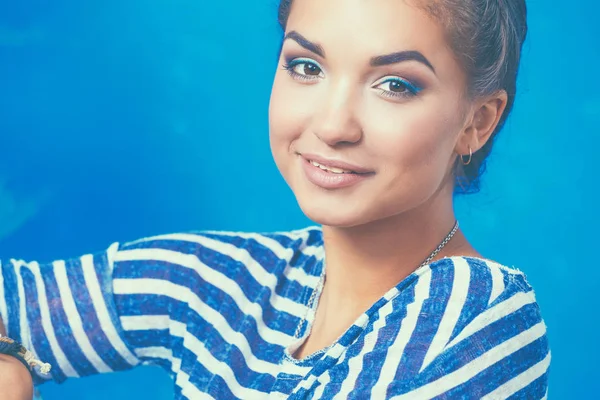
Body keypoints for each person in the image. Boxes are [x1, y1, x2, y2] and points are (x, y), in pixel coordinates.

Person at [0, 0, 551, 398]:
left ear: (476, 123)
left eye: (395, 84)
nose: (333, 125)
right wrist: (16, 364)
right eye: (306, 67)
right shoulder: (226, 282)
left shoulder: (478, 315)